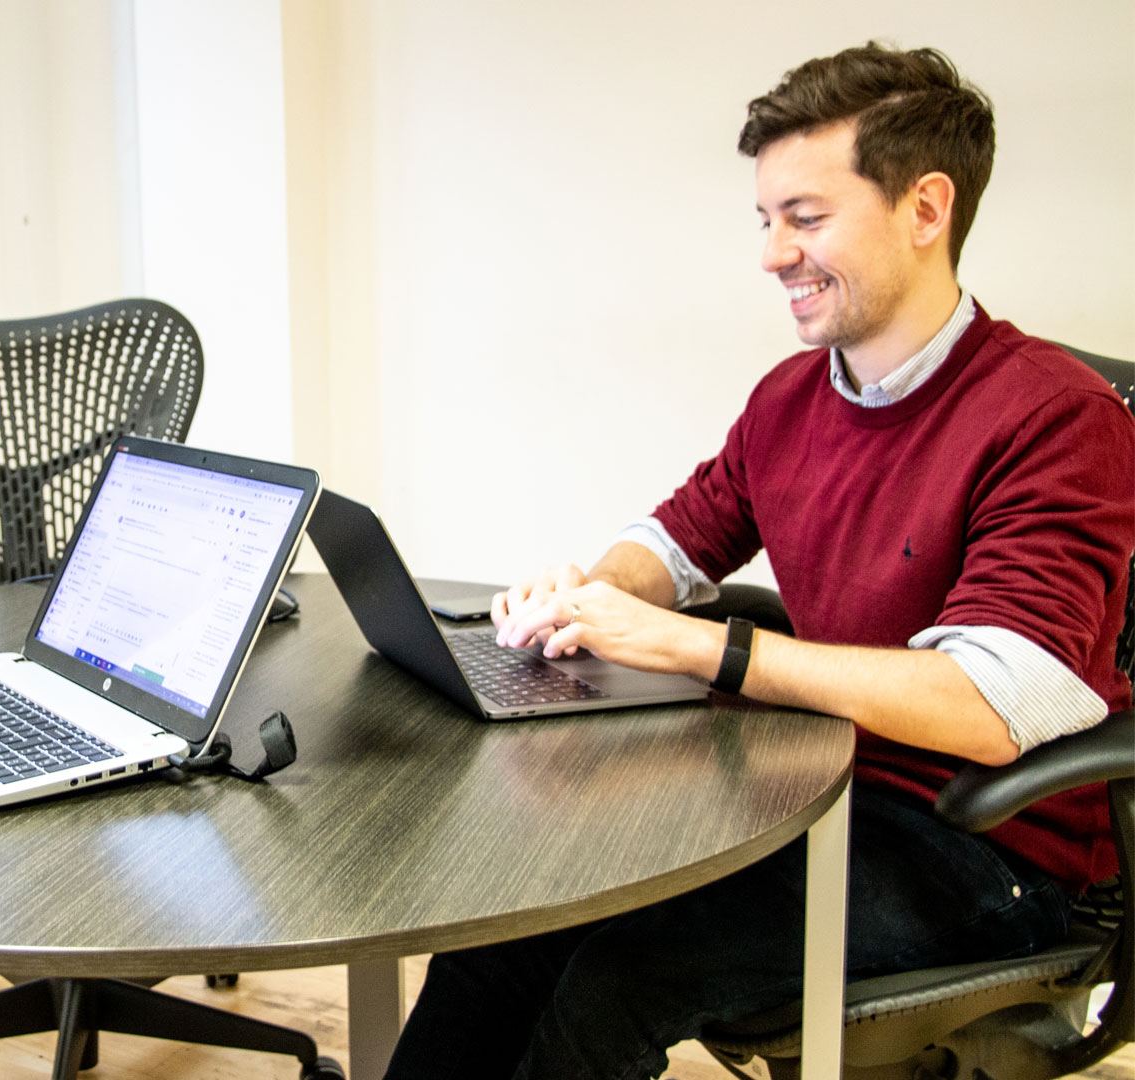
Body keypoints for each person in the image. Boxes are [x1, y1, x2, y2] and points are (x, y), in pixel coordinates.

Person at [384, 43, 1135, 1079]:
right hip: (815, 791)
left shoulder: (1057, 417)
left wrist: (709, 651)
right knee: (509, 924)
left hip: (984, 851)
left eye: (806, 217)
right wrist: (593, 590)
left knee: (619, 972)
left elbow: (992, 704)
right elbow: (674, 541)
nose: (774, 252)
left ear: (926, 209)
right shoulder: (793, 398)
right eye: (766, 219)